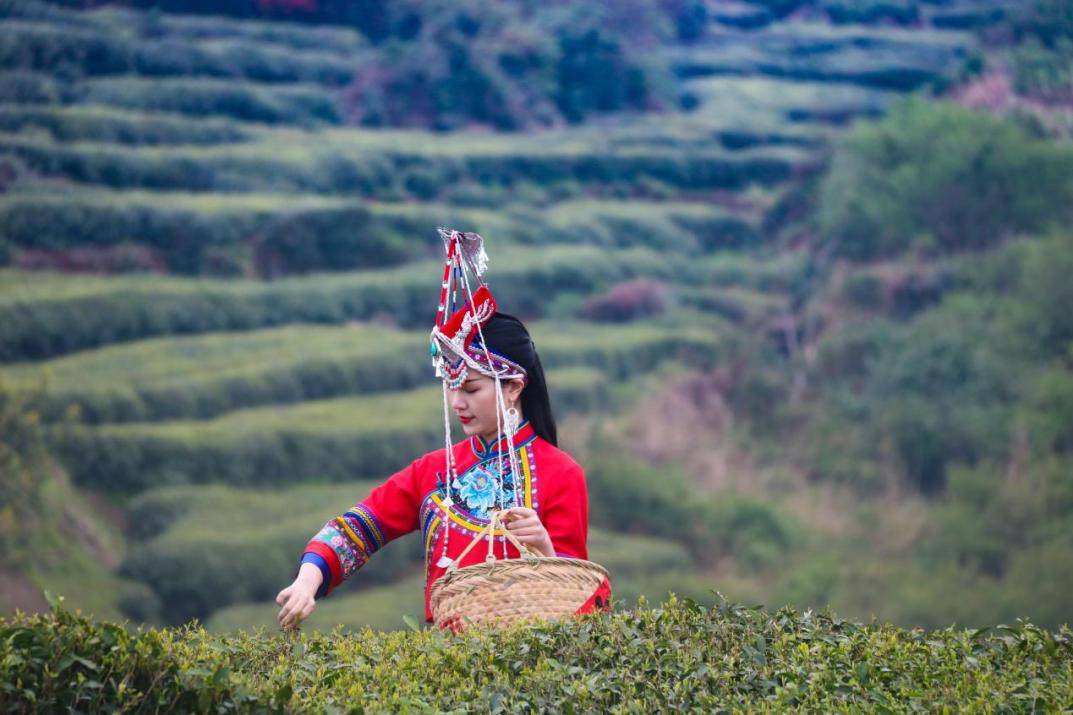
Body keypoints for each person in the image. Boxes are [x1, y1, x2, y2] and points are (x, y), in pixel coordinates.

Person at [276, 229, 611, 630]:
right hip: (445, 669)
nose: (457, 403)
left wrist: (543, 547)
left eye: (470, 388)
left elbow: (583, 603)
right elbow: (361, 527)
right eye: (452, 388)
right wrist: (308, 579)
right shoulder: (433, 472)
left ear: (514, 388)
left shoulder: (560, 475)